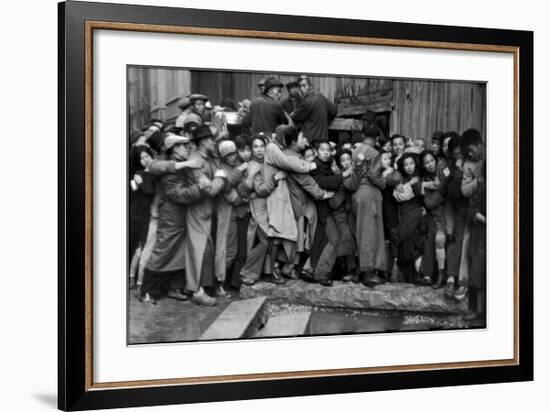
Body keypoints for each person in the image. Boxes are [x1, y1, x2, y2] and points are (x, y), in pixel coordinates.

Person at [137, 134, 202, 305]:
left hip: (179, 218)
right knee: (162, 252)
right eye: (182, 146)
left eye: (187, 145)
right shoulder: (169, 170)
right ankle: (147, 291)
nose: (187, 148)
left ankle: (174, 288)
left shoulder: (178, 167)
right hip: (171, 219)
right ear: (173, 150)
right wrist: (199, 188)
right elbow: (179, 195)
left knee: (178, 253)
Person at [183, 125, 228, 306]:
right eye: (210, 140)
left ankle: (202, 287)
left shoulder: (205, 157)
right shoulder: (196, 161)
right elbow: (210, 189)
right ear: (202, 143)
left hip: (206, 211)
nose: (213, 142)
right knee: (200, 251)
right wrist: (221, 177)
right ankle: (197, 291)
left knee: (205, 250)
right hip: (198, 211)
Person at [238, 134, 281, 285]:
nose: (259, 150)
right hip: (258, 208)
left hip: (269, 207)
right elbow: (261, 190)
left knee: (271, 241)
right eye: (255, 147)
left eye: (261, 146)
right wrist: (275, 179)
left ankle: (267, 272)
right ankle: (248, 272)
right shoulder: (253, 165)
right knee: (266, 241)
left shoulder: (268, 162)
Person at [348, 133, 388, 286]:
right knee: (370, 233)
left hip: (358, 195)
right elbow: (372, 174)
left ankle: (360, 270)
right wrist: (383, 182)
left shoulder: (355, 152)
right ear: (375, 140)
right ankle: (368, 273)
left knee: (361, 232)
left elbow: (353, 182)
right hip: (370, 194)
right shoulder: (374, 153)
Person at [214, 140, 249, 297]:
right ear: (223, 157)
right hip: (225, 213)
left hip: (235, 213)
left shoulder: (236, 166)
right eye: (228, 155)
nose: (233, 157)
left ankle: (223, 282)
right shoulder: (222, 169)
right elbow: (227, 188)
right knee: (226, 250)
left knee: (232, 250)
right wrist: (244, 199)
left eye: (234, 153)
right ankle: (218, 283)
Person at [393, 153, 425, 283]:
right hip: (405, 213)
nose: (409, 167)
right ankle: (407, 277)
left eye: (411, 163)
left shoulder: (420, 176)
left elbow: (421, 193)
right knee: (405, 240)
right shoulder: (401, 179)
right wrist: (407, 186)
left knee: (416, 240)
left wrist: (408, 188)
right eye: (406, 165)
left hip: (418, 212)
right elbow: (398, 196)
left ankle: (419, 274)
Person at [418, 150, 447, 288]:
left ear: (436, 160)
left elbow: (443, 194)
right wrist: (434, 188)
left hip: (446, 215)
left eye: (431, 161)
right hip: (433, 216)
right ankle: (428, 275)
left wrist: (438, 188)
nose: (430, 164)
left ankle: (440, 276)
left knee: (439, 240)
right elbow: (428, 203)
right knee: (431, 239)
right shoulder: (425, 180)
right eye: (426, 163)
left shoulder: (442, 174)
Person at [128, 146, 156, 290]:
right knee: (141, 247)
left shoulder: (155, 172)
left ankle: (135, 277)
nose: (146, 160)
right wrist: (139, 180)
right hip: (141, 214)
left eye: (147, 156)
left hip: (150, 214)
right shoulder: (139, 174)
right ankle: (133, 277)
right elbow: (147, 190)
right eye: (142, 158)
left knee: (143, 247)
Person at [291, 75, 337, 145]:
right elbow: (333, 111)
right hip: (323, 139)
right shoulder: (320, 96)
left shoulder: (307, 101)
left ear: (310, 86)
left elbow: (295, 117)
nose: (302, 89)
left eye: (304, 86)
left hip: (310, 140)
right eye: (300, 87)